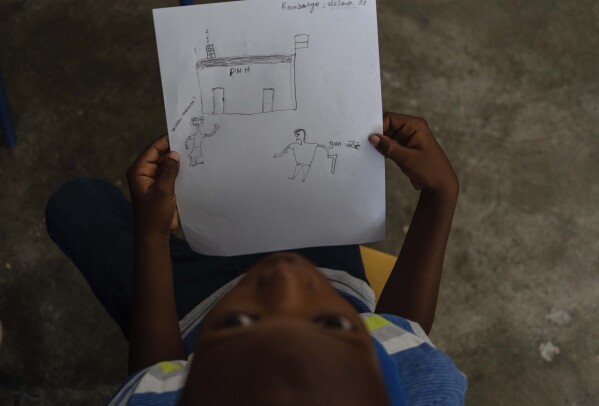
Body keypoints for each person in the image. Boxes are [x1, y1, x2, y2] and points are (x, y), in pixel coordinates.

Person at [45, 113, 466, 405]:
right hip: (325, 271)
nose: (281, 275)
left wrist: (152, 236)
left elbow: (154, 377)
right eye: (330, 324)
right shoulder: (429, 392)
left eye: (240, 325)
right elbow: (405, 332)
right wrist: (440, 195)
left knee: (74, 203)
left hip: (186, 312)